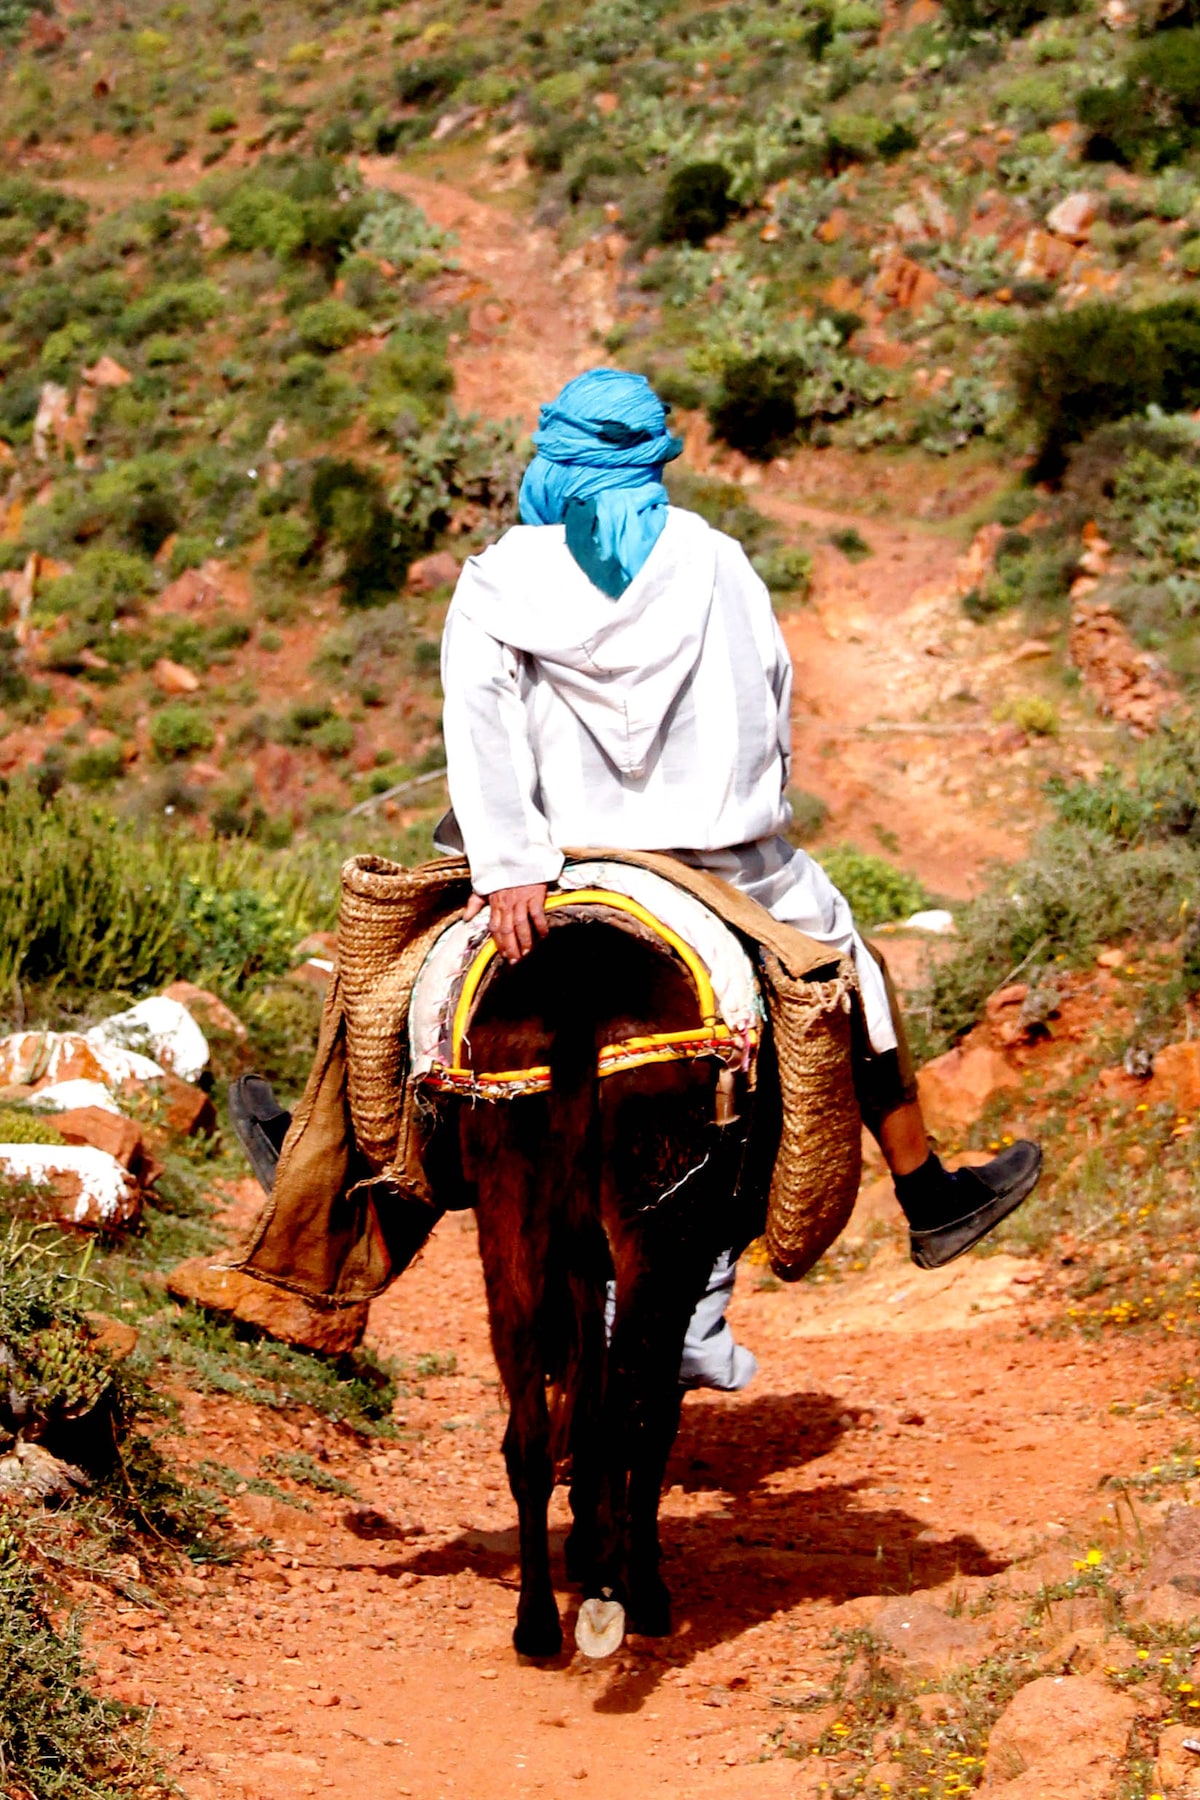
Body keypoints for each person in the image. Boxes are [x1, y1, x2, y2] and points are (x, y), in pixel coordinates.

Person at [433, 367, 1042, 1392]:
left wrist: (506, 865)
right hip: (721, 865)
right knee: (851, 966)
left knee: (386, 988)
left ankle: (317, 1234)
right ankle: (929, 1193)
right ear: (652, 465)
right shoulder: (716, 560)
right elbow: (768, 695)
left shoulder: (498, 577)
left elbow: (479, 719)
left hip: (551, 869)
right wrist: (746, 815)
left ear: (551, 465)